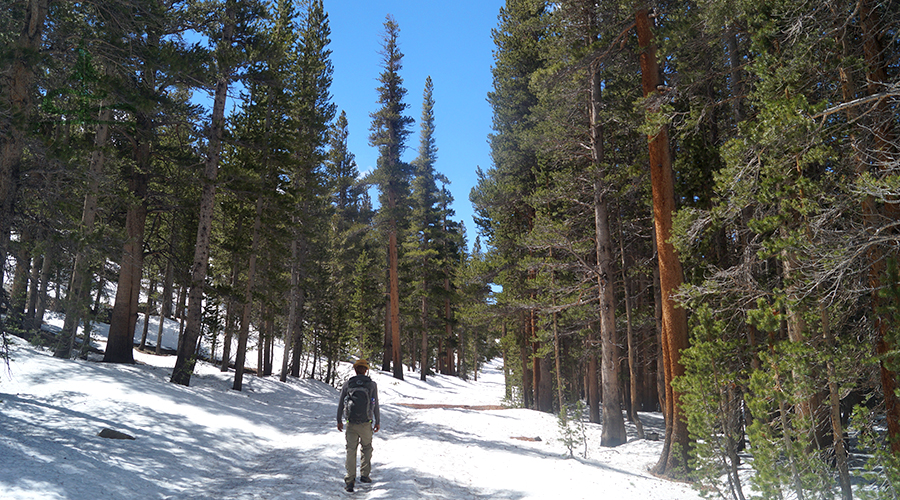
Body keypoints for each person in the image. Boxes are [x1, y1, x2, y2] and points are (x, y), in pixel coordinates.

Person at [336, 358, 380, 492]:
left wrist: (339, 420)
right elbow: (375, 403)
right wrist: (377, 421)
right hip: (366, 423)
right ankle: (365, 475)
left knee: (351, 450)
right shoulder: (371, 385)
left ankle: (350, 480)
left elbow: (341, 403)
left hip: (351, 422)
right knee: (366, 448)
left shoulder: (348, 384)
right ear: (366, 370)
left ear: (355, 370)